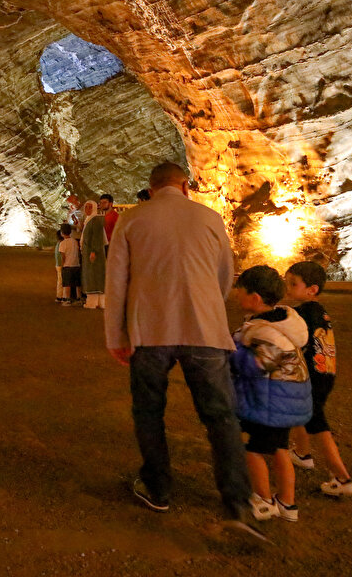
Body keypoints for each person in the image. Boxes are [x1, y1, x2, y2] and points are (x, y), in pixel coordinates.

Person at [104, 161, 263, 539]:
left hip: (150, 330)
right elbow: (225, 275)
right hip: (204, 329)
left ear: (152, 188)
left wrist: (117, 335)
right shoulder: (209, 218)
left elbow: (117, 283)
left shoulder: (132, 220)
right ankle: (237, 502)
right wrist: (206, 305)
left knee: (149, 411)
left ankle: (157, 488)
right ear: (185, 186)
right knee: (221, 418)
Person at [231, 266, 313, 522]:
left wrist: (231, 351)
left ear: (255, 298)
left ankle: (264, 501)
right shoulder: (282, 323)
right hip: (286, 400)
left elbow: (257, 364)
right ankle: (287, 504)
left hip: (271, 401)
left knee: (251, 449)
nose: (236, 296)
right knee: (279, 448)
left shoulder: (266, 332)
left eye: (239, 292)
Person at [284, 261, 352, 497]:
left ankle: (343, 478)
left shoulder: (301, 314)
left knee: (318, 424)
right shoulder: (321, 312)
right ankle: (303, 454)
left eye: (293, 283)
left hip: (311, 378)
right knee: (300, 411)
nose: (288, 287)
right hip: (326, 374)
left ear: (311, 289)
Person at [81, 200, 106, 309]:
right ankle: (99, 302)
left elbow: (97, 237)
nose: (87, 210)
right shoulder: (89, 220)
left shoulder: (96, 220)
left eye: (90, 207)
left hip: (93, 253)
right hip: (89, 252)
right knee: (94, 276)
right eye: (86, 207)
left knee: (93, 276)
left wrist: (94, 251)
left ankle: (92, 302)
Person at [57, 223, 81, 304]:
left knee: (67, 284)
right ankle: (78, 298)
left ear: (62, 233)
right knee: (77, 283)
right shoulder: (74, 241)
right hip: (76, 265)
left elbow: (63, 256)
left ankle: (67, 298)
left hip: (67, 265)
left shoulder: (62, 243)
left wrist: (62, 265)